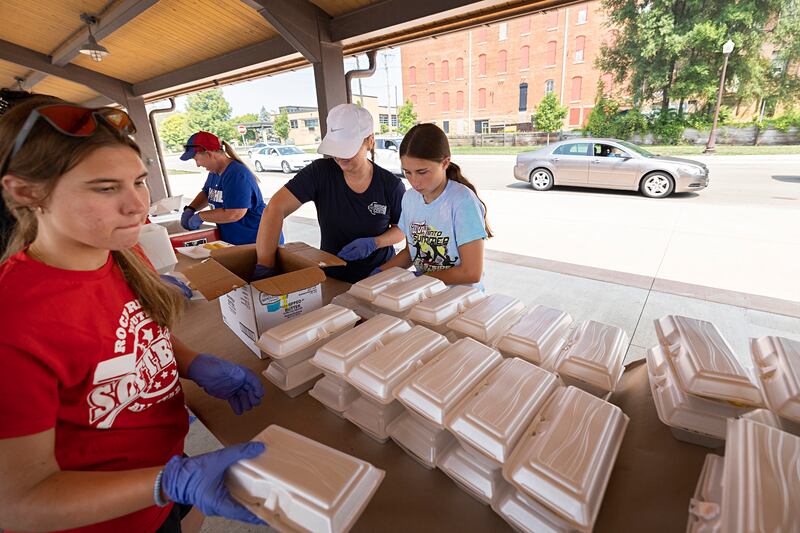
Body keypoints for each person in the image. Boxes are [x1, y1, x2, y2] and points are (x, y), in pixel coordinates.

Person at [0, 100, 268, 532]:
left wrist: (191, 363)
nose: (138, 206)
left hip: (160, 484)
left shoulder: (122, 253)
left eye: (139, 181)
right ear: (27, 193)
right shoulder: (14, 319)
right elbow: (16, 504)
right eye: (105, 188)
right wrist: (169, 483)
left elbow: (138, 332)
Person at [254, 104, 405, 283]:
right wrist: (265, 265)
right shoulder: (320, 173)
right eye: (336, 149)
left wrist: (375, 242)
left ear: (370, 141)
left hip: (377, 276)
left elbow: (400, 229)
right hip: (333, 276)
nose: (339, 157)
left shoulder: (390, 185)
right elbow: (275, 209)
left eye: (347, 149)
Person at [375, 123, 492, 288]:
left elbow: (471, 272)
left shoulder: (462, 201)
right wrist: (380, 273)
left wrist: (421, 278)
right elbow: (410, 252)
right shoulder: (409, 199)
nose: (414, 181)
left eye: (422, 172)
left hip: (461, 299)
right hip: (425, 293)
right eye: (407, 172)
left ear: (445, 163)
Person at [180, 131, 275, 246]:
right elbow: (207, 193)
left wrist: (200, 216)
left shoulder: (236, 174)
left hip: (256, 240)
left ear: (209, 154)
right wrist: (191, 208)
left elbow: (234, 213)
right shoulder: (215, 171)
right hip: (235, 240)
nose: (197, 165)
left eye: (196, 159)